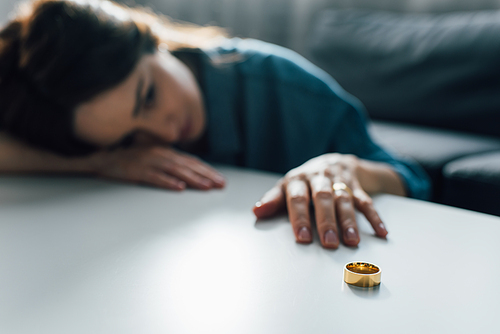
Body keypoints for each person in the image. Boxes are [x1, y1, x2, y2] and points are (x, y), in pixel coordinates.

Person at [0, 0, 430, 249]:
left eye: (148, 95)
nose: (165, 134)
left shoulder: (283, 86)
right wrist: (98, 162)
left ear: (152, 37)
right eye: (130, 138)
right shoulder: (83, 137)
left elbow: (415, 181)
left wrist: (345, 168)